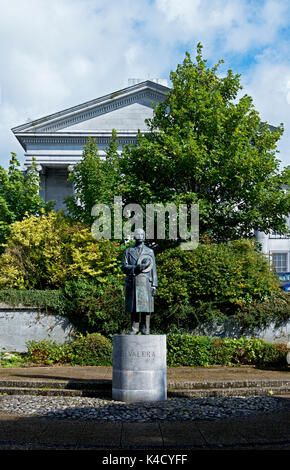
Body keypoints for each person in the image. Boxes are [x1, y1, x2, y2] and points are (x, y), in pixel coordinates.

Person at [121, 228, 158, 335]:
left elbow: (153, 270)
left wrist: (154, 285)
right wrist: (136, 268)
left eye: (142, 234)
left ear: (144, 236)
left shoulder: (150, 251)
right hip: (133, 281)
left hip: (146, 281)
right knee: (134, 307)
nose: (140, 236)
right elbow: (123, 267)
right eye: (138, 234)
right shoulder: (128, 251)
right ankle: (134, 329)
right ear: (134, 236)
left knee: (147, 308)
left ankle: (146, 329)